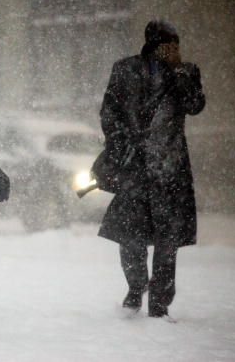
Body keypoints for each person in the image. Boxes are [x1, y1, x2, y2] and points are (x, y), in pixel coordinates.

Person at [98, 20, 205, 319]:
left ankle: (160, 303)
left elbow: (195, 105)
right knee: (129, 236)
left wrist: (180, 71)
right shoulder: (125, 69)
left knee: (167, 242)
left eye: (177, 44)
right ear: (155, 43)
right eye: (169, 43)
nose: (174, 49)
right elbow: (109, 112)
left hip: (170, 171)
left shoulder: (187, 71)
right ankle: (136, 286)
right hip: (134, 169)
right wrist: (121, 147)